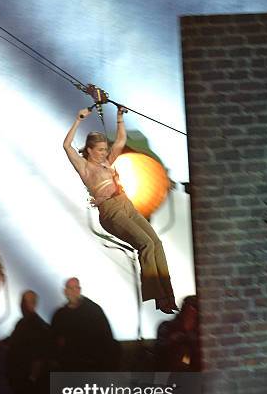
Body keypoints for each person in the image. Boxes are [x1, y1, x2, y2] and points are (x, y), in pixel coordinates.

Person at [63, 106, 177, 314]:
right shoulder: (85, 168)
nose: (104, 153)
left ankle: (168, 296)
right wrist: (78, 119)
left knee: (156, 243)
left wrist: (119, 118)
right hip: (111, 212)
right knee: (145, 244)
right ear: (89, 150)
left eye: (105, 150)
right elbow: (67, 146)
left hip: (126, 203)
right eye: (100, 150)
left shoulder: (107, 162)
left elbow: (121, 142)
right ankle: (159, 298)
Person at [51, 277, 119, 371]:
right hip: (69, 367)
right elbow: (54, 340)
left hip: (92, 366)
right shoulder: (60, 315)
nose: (74, 291)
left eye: (76, 288)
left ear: (80, 290)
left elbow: (106, 338)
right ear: (65, 291)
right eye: (71, 288)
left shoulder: (93, 311)